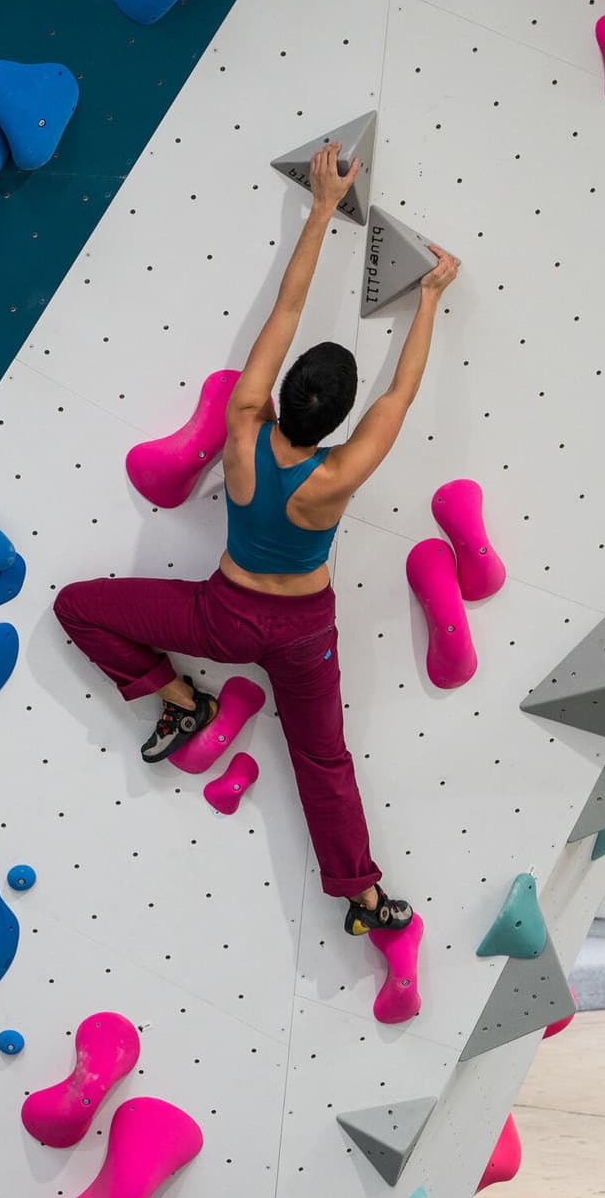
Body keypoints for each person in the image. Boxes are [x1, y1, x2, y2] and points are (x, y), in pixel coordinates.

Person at [53, 142, 458, 937]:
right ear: (336, 420)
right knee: (324, 763)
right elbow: (400, 395)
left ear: (285, 393)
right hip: (304, 635)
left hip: (222, 616)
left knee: (79, 607)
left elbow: (284, 312)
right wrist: (431, 298)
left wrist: (318, 208)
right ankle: (363, 900)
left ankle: (178, 699)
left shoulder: (244, 425)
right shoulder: (337, 478)